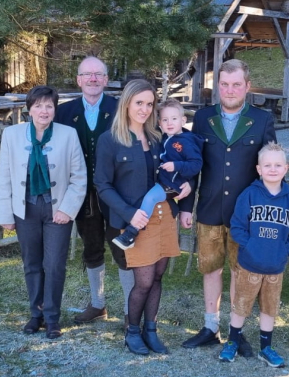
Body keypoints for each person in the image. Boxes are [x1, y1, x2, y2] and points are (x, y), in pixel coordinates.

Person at [180, 59, 276, 356]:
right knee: (210, 269)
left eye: (236, 84)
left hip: (244, 216)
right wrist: (186, 206)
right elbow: (192, 165)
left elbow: (270, 168)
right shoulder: (203, 118)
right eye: (224, 84)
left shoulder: (262, 120)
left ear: (247, 86)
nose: (230, 90)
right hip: (209, 208)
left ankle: (236, 332)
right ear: (216, 86)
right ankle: (211, 327)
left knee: (238, 271)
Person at [94, 79, 191, 355]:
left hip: (164, 217)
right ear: (126, 103)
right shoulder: (110, 140)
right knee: (144, 281)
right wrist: (128, 214)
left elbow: (179, 172)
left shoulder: (160, 138)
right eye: (139, 103)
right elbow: (102, 185)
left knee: (158, 277)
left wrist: (187, 187)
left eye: (150, 104)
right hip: (134, 222)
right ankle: (132, 331)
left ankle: (151, 330)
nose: (145, 109)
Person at [0, 85, 87, 339]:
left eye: (49, 106)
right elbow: (3, 176)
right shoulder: (12, 135)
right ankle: (35, 315)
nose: (43, 110)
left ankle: (52, 318)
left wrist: (67, 210)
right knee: (32, 264)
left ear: (55, 109)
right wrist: (5, 215)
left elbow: (79, 177)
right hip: (25, 209)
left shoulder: (68, 135)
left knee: (55, 264)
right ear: (30, 108)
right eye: (38, 105)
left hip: (57, 209)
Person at [54, 56, 134, 327]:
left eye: (98, 74)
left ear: (106, 79)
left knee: (123, 249)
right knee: (91, 247)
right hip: (81, 194)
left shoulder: (121, 108)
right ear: (78, 80)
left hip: (116, 193)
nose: (93, 79)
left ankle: (129, 308)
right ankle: (98, 304)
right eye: (87, 74)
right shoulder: (64, 112)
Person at [223, 142, 289, 366]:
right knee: (241, 304)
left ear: (286, 169)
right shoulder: (249, 195)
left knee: (269, 308)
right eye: (267, 165)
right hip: (249, 264)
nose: (272, 169)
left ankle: (266, 348)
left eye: (277, 165)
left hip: (275, 267)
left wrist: (285, 250)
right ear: (258, 169)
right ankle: (232, 341)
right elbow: (237, 225)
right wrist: (250, 245)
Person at [112, 98, 203, 250]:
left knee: (150, 198)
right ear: (159, 123)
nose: (170, 123)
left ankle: (131, 233)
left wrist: (176, 166)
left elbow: (196, 164)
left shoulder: (186, 142)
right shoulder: (164, 138)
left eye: (174, 119)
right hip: (164, 180)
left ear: (183, 120)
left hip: (173, 184)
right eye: (165, 120)